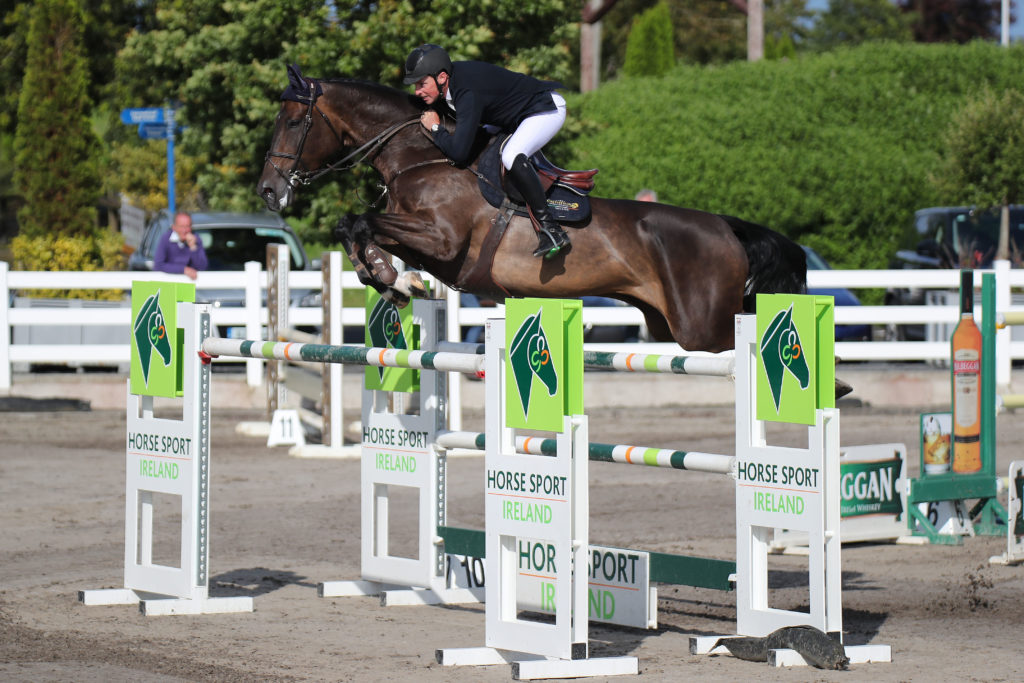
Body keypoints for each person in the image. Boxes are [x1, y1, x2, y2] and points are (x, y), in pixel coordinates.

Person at [404, 43, 570, 259]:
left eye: (421, 84)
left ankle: (551, 229)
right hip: (512, 117)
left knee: (512, 155)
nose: (417, 92)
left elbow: (459, 154)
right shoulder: (452, 85)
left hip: (545, 110)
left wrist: (436, 129)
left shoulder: (466, 91)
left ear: (442, 77)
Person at [152, 212, 208, 280]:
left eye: (187, 226)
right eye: (181, 226)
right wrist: (183, 269)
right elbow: (158, 265)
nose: (185, 230)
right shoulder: (166, 239)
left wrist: (193, 247)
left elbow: (202, 267)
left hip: (191, 285)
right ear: (174, 227)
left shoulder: (196, 240)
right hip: (169, 283)